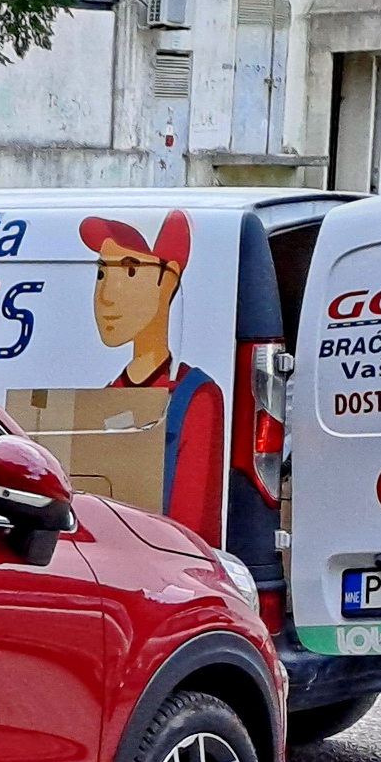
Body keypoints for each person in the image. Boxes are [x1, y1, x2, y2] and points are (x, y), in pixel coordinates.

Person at [81, 209, 225, 544]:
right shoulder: (104, 397)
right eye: (102, 274)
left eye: (130, 271)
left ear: (169, 279)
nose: (107, 294)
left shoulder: (194, 397)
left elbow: (194, 532)